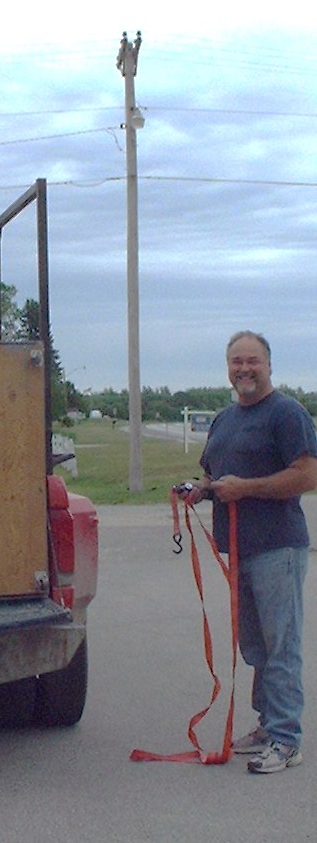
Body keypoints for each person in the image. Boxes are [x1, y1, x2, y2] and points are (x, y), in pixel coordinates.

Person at [187, 330, 317, 774]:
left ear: (268, 365)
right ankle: (268, 725)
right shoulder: (225, 419)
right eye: (237, 361)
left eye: (252, 361)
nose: (244, 369)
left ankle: (286, 739)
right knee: (257, 647)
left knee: (281, 647)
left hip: (278, 548)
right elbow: (212, 475)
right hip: (238, 551)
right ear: (228, 368)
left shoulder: (287, 414)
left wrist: (247, 489)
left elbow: (306, 476)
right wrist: (199, 491)